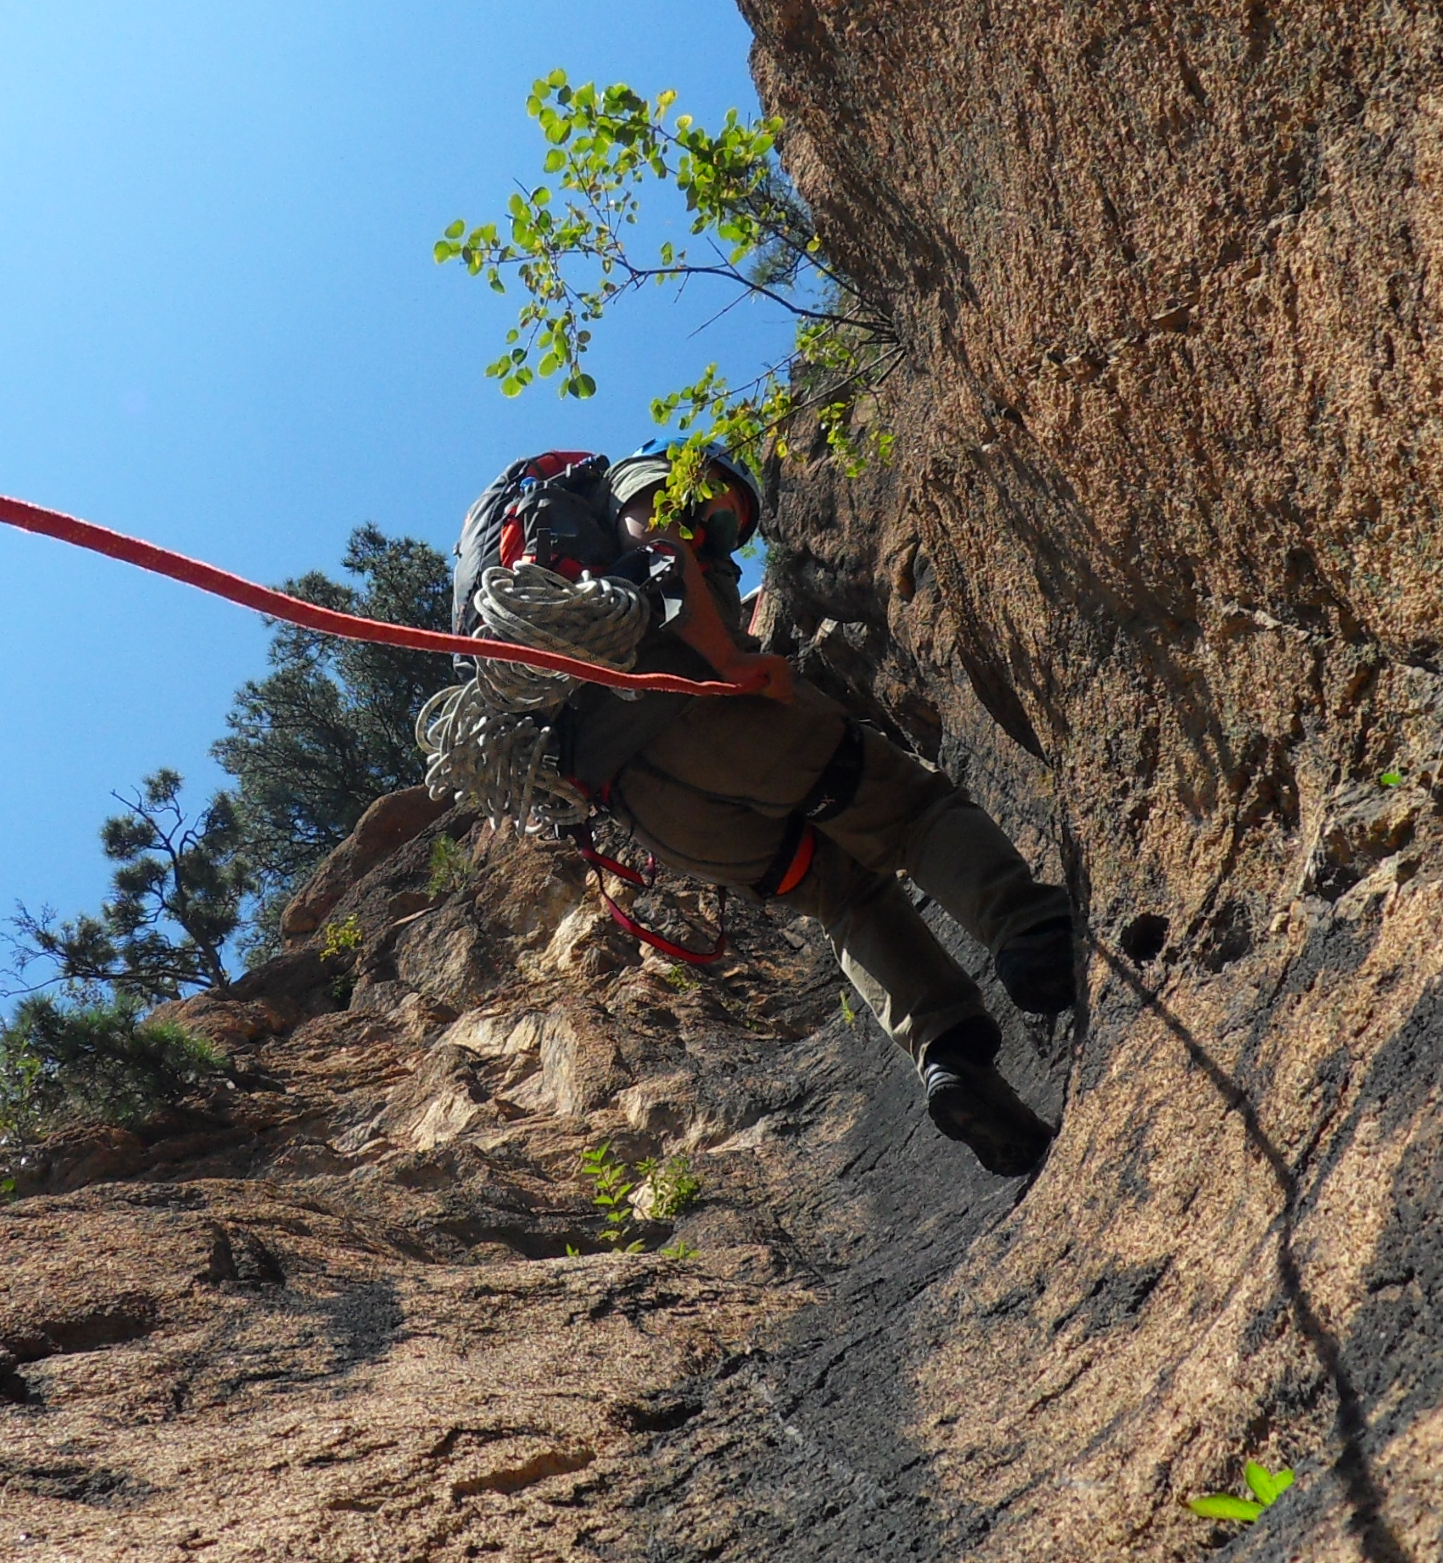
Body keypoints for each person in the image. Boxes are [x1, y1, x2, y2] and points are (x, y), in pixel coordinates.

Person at [460, 443, 1084, 1176]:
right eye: (730, 510)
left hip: (646, 806)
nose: (726, 526)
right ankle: (1032, 934)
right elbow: (658, 542)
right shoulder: (641, 481)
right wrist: (726, 657)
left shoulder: (524, 571)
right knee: (908, 810)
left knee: (844, 896)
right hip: (701, 705)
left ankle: (951, 1060)